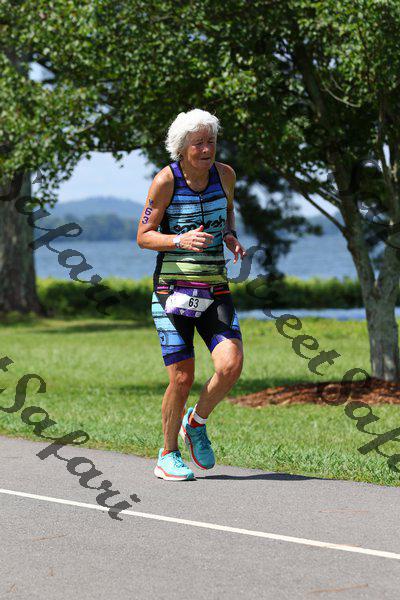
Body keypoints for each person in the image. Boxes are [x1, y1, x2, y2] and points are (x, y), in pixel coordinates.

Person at [137, 108, 247, 481]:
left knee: (231, 365)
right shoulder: (165, 181)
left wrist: (230, 236)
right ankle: (167, 454)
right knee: (182, 377)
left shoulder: (226, 175)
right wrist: (179, 240)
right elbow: (143, 236)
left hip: (215, 288)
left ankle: (196, 422)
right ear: (182, 147)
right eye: (198, 143)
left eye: (211, 141)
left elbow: (227, 212)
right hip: (173, 292)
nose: (206, 149)